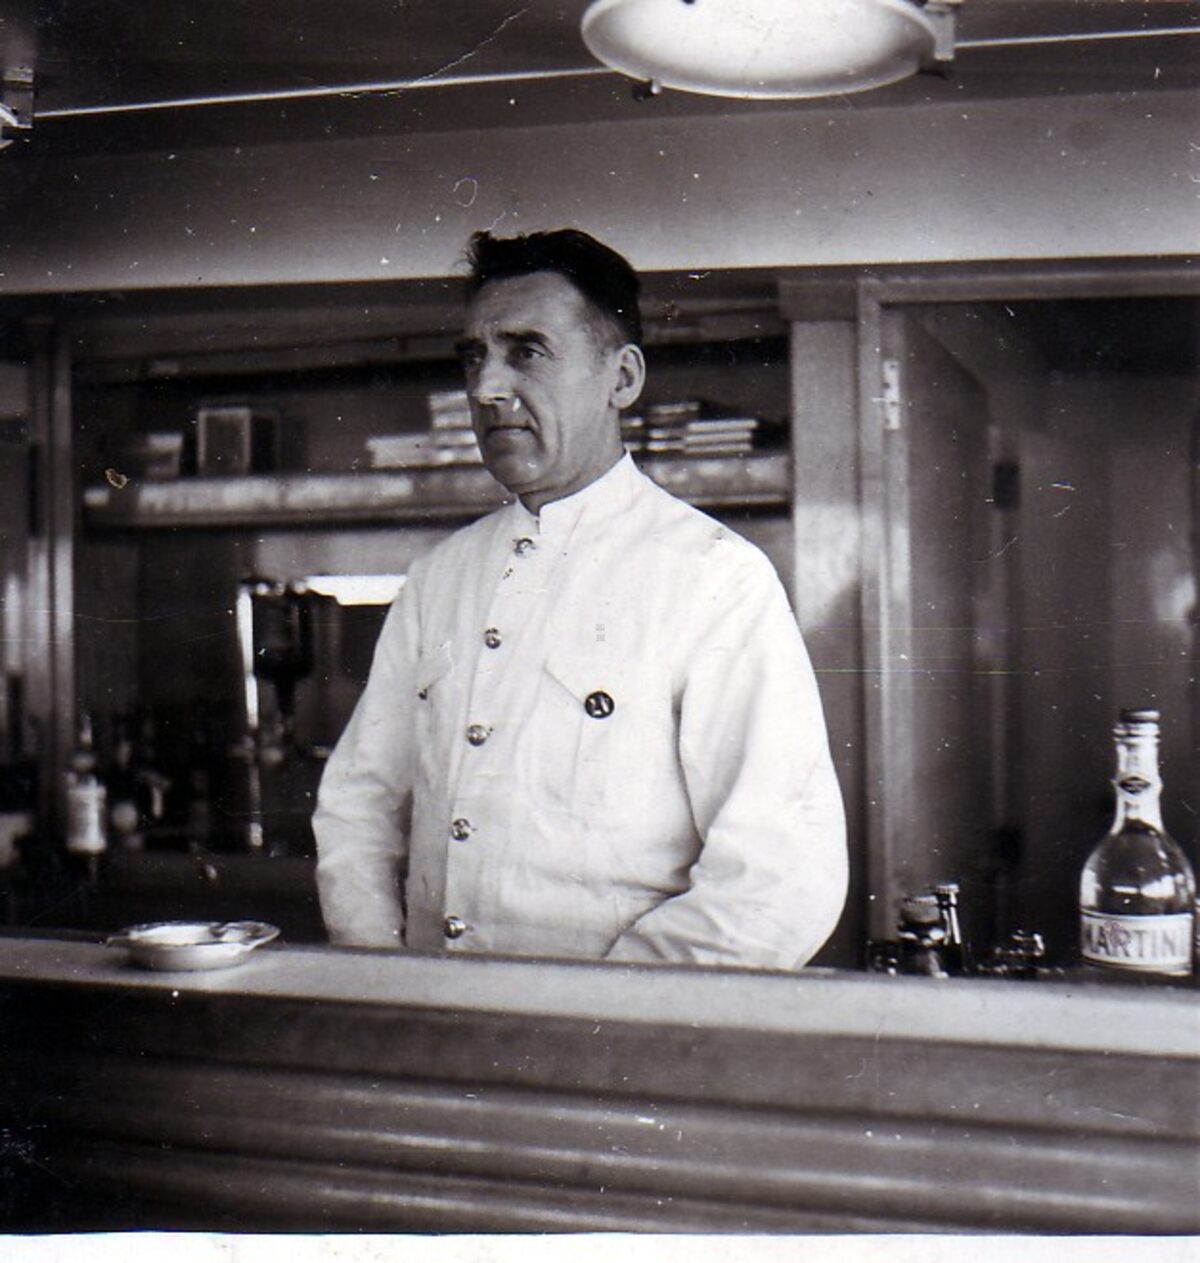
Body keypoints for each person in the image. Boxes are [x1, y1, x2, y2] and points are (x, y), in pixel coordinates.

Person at [313, 227, 847, 969]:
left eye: (526, 352)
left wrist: (600, 1005)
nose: (485, 388)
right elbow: (359, 804)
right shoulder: (441, 577)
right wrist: (383, 975)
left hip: (617, 1025)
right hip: (433, 1011)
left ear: (621, 378)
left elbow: (782, 879)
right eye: (473, 357)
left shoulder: (714, 576)